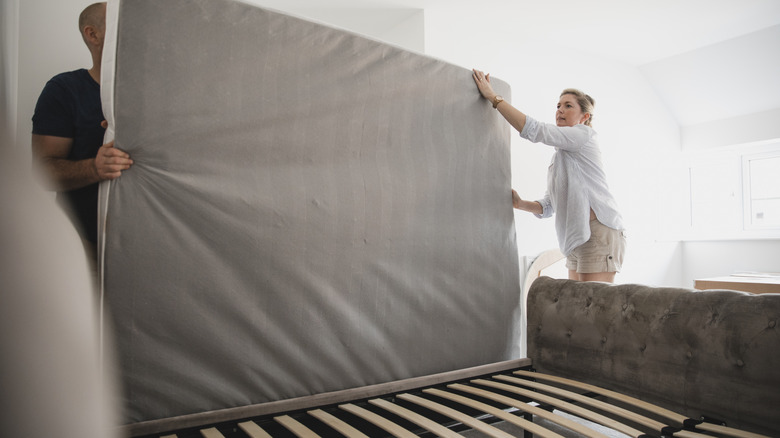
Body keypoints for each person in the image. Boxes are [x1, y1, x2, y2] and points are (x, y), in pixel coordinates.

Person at [472, 69, 626, 283]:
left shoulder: (584, 136)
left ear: (585, 116)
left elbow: (535, 130)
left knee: (595, 309)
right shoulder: (559, 158)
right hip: (576, 238)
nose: (560, 110)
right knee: (577, 306)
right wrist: (520, 203)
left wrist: (494, 97)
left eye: (568, 106)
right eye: (558, 106)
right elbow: (548, 206)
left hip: (598, 234)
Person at [31, 2, 133, 261]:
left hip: (145, 248)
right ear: (92, 34)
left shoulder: (155, 94)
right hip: (82, 248)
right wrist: (95, 168)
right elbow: (43, 173)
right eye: (122, 21)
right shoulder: (64, 90)